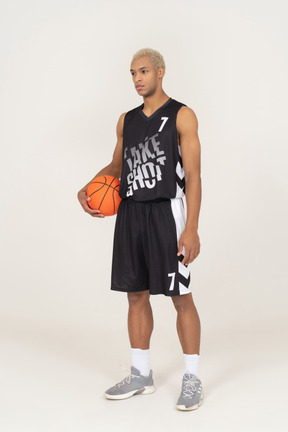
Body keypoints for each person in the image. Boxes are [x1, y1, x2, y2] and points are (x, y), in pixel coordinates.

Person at [77, 48, 203, 411]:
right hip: (131, 213)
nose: (137, 79)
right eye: (132, 73)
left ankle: (192, 377)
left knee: (180, 296)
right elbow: (117, 166)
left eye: (144, 71)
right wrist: (87, 187)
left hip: (167, 212)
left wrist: (191, 227)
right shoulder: (126, 120)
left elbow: (193, 175)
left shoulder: (182, 115)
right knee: (135, 295)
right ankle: (141, 373)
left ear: (160, 72)